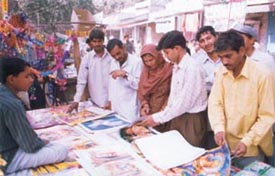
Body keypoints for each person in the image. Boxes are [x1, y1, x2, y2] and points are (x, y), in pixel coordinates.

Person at [208, 31, 275, 169]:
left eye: (228, 56)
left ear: (242, 50)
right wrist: (218, 128)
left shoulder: (263, 75)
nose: (225, 61)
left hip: (252, 148)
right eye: (221, 57)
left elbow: (267, 116)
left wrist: (247, 141)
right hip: (225, 145)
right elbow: (215, 103)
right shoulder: (221, 71)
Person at [138, 30, 208, 147]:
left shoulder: (192, 68)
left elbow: (184, 103)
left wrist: (158, 118)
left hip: (190, 120)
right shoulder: (176, 66)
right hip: (176, 116)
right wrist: (162, 115)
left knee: (187, 154)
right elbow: (174, 97)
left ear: (177, 48)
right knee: (175, 151)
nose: (165, 56)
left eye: (167, 52)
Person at [0, 57, 68, 175]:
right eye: (27, 76)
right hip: (7, 157)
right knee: (61, 150)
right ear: (11, 79)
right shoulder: (12, 104)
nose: (31, 80)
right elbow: (30, 145)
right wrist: (43, 143)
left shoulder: (5, 94)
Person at [67, 27, 113, 113]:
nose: (97, 44)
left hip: (112, 102)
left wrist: (111, 100)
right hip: (96, 103)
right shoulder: (87, 59)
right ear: (91, 42)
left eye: (99, 41)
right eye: (94, 41)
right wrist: (76, 100)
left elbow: (116, 81)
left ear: (103, 41)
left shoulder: (111, 57)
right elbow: (81, 81)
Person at [137, 44, 173, 132]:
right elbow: (142, 91)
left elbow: (174, 92)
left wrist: (163, 112)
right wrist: (144, 104)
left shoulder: (170, 69)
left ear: (158, 56)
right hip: (149, 113)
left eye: (151, 60)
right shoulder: (146, 72)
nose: (149, 63)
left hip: (167, 113)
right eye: (146, 61)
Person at [106, 38, 142, 122]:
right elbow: (111, 84)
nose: (117, 57)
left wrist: (125, 75)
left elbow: (139, 85)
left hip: (130, 109)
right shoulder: (113, 62)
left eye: (118, 53)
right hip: (116, 107)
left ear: (123, 48)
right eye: (113, 56)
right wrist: (110, 101)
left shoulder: (136, 62)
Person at [195, 26, 222, 94]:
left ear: (216, 37)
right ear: (199, 45)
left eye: (209, 38)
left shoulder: (227, 58)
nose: (206, 43)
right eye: (202, 41)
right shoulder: (197, 62)